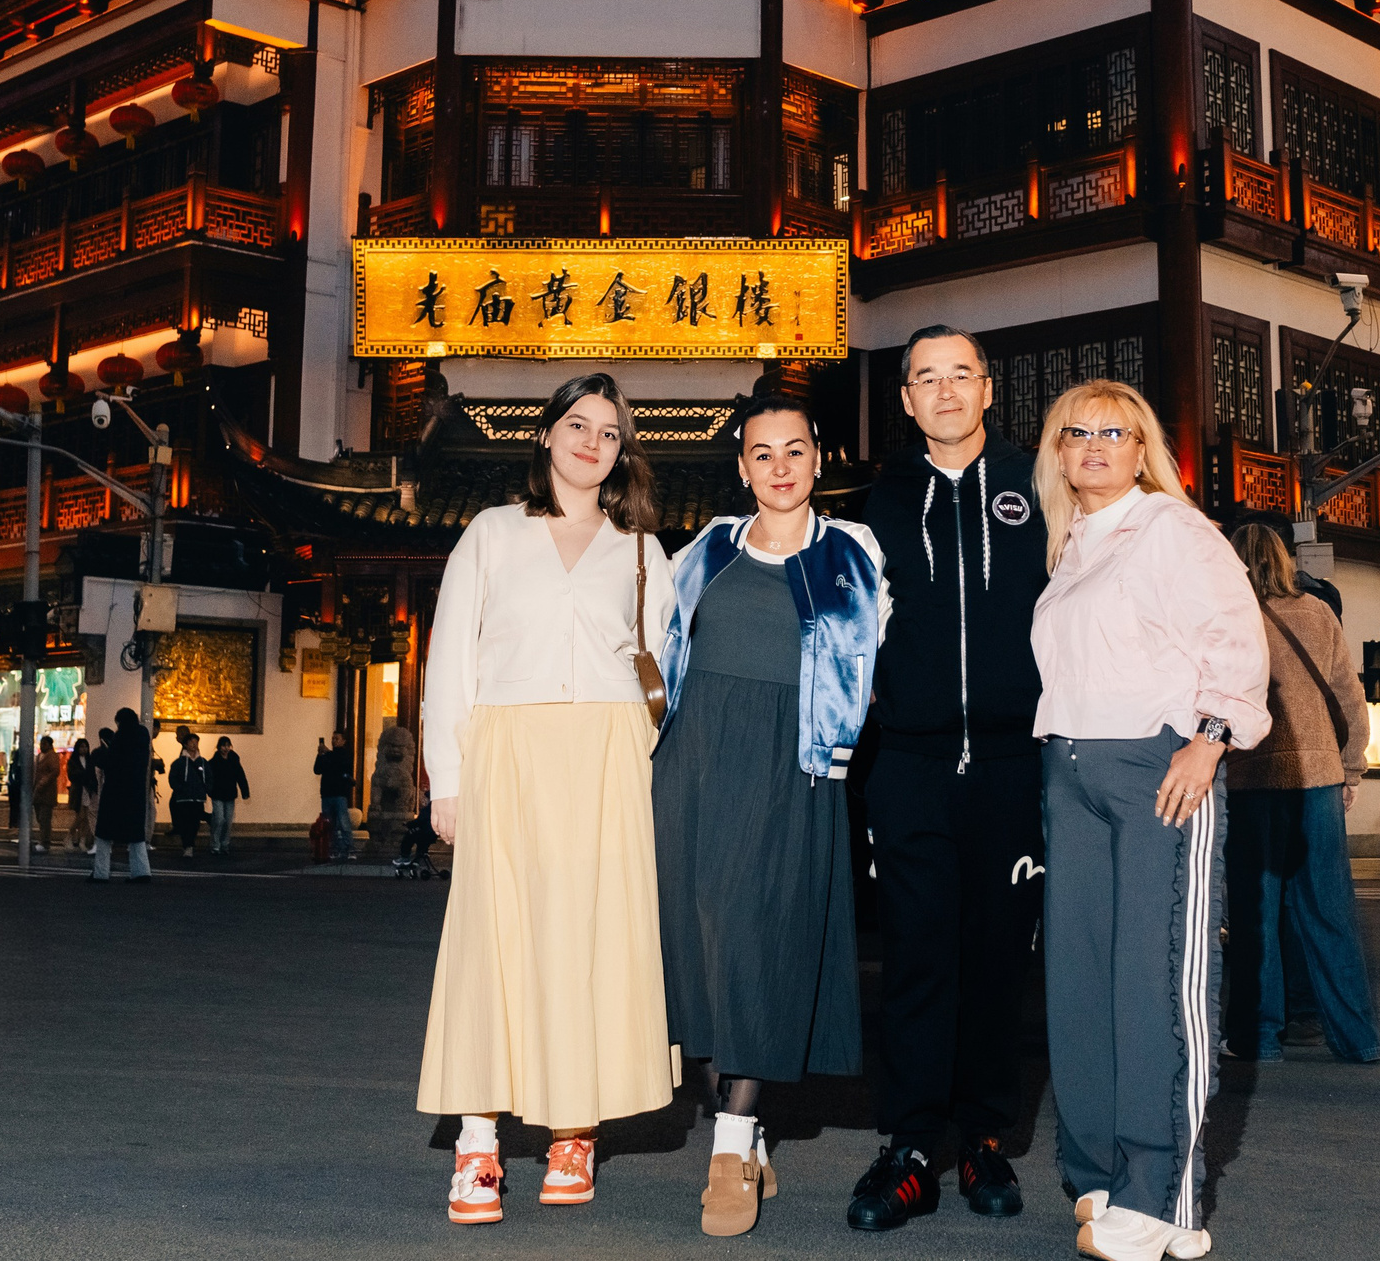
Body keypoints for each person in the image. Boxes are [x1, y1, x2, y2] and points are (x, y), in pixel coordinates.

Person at [418, 373, 676, 1224]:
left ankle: (575, 1130)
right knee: (493, 940)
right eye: (577, 423)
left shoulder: (641, 548)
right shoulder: (492, 534)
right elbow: (448, 658)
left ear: (621, 452)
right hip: (509, 750)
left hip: (608, 759)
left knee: (593, 941)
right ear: (546, 436)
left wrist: (649, 763)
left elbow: (663, 667)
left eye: (609, 431)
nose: (592, 441)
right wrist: (445, 782)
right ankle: (478, 1137)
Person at [1030, 379, 1268, 1261]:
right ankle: (1096, 1174)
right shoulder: (1074, 545)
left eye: (1115, 432)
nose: (1094, 445)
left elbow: (1236, 640)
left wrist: (1209, 738)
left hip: (1155, 767)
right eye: (1076, 432)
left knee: (1157, 980)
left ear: (1142, 449)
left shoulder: (1171, 527)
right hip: (1070, 769)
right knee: (1080, 983)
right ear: (1058, 452)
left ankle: (1162, 1193)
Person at [653, 393, 889, 1236]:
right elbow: (654, 648)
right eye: (763, 452)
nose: (780, 466)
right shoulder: (704, 549)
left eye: (795, 449)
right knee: (701, 953)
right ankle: (742, 1131)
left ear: (819, 458)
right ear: (742, 465)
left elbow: (869, 661)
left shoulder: (852, 553)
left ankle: (729, 1145)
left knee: (758, 944)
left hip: (794, 769)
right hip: (694, 767)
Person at [850, 325, 1053, 1231]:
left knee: (1000, 957)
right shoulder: (873, 502)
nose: (943, 390)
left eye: (958, 375)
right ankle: (909, 1145)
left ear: (987, 387)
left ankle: (983, 1138)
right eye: (924, 377)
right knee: (916, 956)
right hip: (909, 765)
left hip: (1014, 763)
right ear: (905, 398)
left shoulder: (1038, 488)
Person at [1222, 524, 1380, 1065]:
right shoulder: (1319, 614)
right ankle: (1358, 1038)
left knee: (1255, 913)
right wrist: (1352, 771)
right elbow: (1351, 701)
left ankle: (1259, 1037)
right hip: (1318, 780)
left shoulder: (1227, 618)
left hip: (1250, 780)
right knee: (1330, 911)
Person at [92, 711, 155, 882]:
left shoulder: (120, 739)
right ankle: (142, 872)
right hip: (135, 792)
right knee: (136, 835)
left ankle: (100, 873)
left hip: (115, 791)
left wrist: (101, 753)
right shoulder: (143, 737)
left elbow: (110, 762)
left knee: (104, 834)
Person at [314, 730, 356, 862]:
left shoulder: (344, 754)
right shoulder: (327, 754)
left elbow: (340, 764)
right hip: (327, 793)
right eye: (332, 739)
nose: (334, 741)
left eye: (337, 738)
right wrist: (320, 755)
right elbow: (317, 769)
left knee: (344, 823)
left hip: (339, 793)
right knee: (329, 824)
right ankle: (334, 849)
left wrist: (327, 753)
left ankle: (349, 848)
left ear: (343, 741)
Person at [167, 729, 207, 856]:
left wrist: (206, 788)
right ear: (186, 744)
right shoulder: (179, 762)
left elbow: (209, 777)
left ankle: (189, 844)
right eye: (191, 742)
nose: (194, 745)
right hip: (184, 797)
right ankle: (187, 845)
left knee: (194, 823)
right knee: (185, 822)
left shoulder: (202, 762)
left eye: (196, 742)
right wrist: (179, 788)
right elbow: (172, 777)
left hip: (197, 797)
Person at [207, 735, 250, 855]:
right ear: (219, 747)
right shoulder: (213, 762)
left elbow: (240, 776)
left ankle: (224, 844)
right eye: (223, 746)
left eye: (227, 746)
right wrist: (209, 791)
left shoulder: (234, 760)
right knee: (220, 819)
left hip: (230, 794)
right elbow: (210, 778)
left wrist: (245, 791)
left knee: (228, 821)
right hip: (217, 794)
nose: (225, 748)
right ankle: (216, 844)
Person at [30, 735, 61, 858]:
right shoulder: (39, 756)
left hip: (46, 792)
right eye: (41, 743)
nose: (42, 746)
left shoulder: (52, 756)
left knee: (45, 818)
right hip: (38, 792)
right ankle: (43, 840)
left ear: (49, 745)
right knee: (40, 818)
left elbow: (55, 771)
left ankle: (45, 842)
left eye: (44, 744)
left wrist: (43, 782)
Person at [66, 734, 99, 853]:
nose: (84, 749)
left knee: (86, 818)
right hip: (79, 790)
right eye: (81, 747)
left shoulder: (90, 760)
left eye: (85, 747)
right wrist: (84, 776)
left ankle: (82, 840)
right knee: (80, 816)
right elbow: (72, 775)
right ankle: (69, 837)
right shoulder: (73, 761)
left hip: (88, 790)